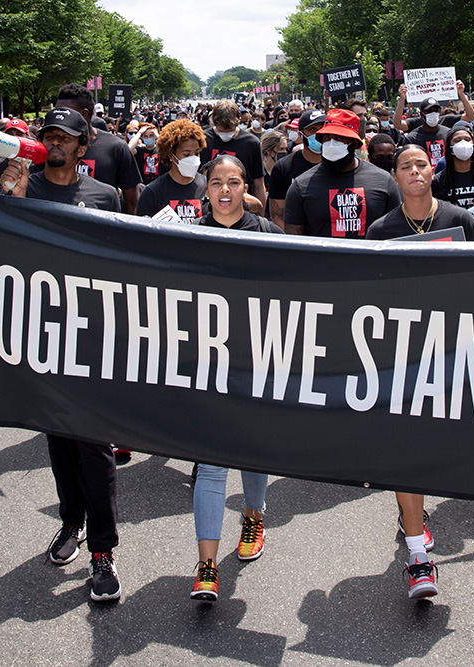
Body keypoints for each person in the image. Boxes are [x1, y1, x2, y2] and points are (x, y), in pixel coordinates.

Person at [0, 107, 122, 601]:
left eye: (65, 137)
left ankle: (103, 549)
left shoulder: (104, 195)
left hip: (93, 336)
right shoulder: (18, 185)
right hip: (43, 334)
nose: (55, 143)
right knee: (59, 442)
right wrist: (12, 200)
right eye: (47, 135)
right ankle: (70, 521)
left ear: (82, 144)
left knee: (93, 446)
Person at [366, 143, 474, 599]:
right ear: (394, 177)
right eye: (405, 166)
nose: (414, 171)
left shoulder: (461, 221)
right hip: (404, 355)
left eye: (421, 164)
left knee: (446, 448)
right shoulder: (382, 229)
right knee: (407, 451)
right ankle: (418, 558)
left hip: (455, 352)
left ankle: (414, 514)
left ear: (432, 171)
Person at [189, 155, 282, 601]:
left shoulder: (269, 235)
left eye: (233, 182)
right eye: (215, 183)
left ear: (247, 188)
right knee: (210, 461)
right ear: (204, 190)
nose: (224, 191)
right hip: (206, 364)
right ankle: (206, 564)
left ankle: (254, 514)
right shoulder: (186, 235)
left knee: (252, 449)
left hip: (256, 361)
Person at [283, 109, 401, 238]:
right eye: (327, 138)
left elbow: (394, 232)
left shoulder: (383, 181)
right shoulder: (301, 186)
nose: (331, 144)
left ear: (354, 143)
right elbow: (295, 241)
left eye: (339, 138)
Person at [53, 84, 142, 215]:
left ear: (84, 114)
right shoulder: (52, 147)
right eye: (57, 112)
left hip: (102, 230)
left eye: (66, 113)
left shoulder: (116, 148)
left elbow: (132, 203)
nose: (60, 118)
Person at [135, 119, 207, 223]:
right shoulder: (152, 193)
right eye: (186, 154)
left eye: (197, 153)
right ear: (170, 155)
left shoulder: (208, 186)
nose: (193, 158)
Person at [199, 100, 266, 205]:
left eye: (230, 130)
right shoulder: (202, 140)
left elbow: (258, 184)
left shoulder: (251, 143)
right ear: (213, 121)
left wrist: (260, 216)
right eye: (221, 130)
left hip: (241, 207)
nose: (226, 134)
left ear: (239, 121)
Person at [268, 109, 326, 228]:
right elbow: (277, 215)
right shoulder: (283, 168)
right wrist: (296, 241)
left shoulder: (338, 165)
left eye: (322, 129)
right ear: (300, 134)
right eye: (312, 130)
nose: (319, 134)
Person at [432, 125, 474, 209]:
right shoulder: (439, 181)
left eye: (467, 139)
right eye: (457, 140)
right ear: (450, 148)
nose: (463, 143)